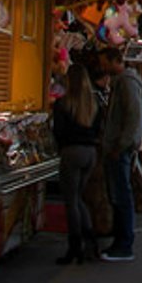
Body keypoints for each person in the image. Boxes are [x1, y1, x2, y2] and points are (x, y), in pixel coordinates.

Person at [95, 47, 142, 262]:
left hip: (119, 149)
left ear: (116, 60)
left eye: (105, 62)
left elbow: (133, 116)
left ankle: (124, 244)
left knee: (121, 195)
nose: (102, 66)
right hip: (116, 147)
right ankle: (120, 239)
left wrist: (121, 145)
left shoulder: (127, 82)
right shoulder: (121, 82)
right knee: (117, 195)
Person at [51, 63, 103, 260]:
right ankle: (90, 240)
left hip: (72, 151)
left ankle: (75, 245)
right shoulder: (93, 105)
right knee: (78, 197)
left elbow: (59, 132)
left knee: (71, 200)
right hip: (90, 151)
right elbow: (99, 129)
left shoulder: (64, 104)